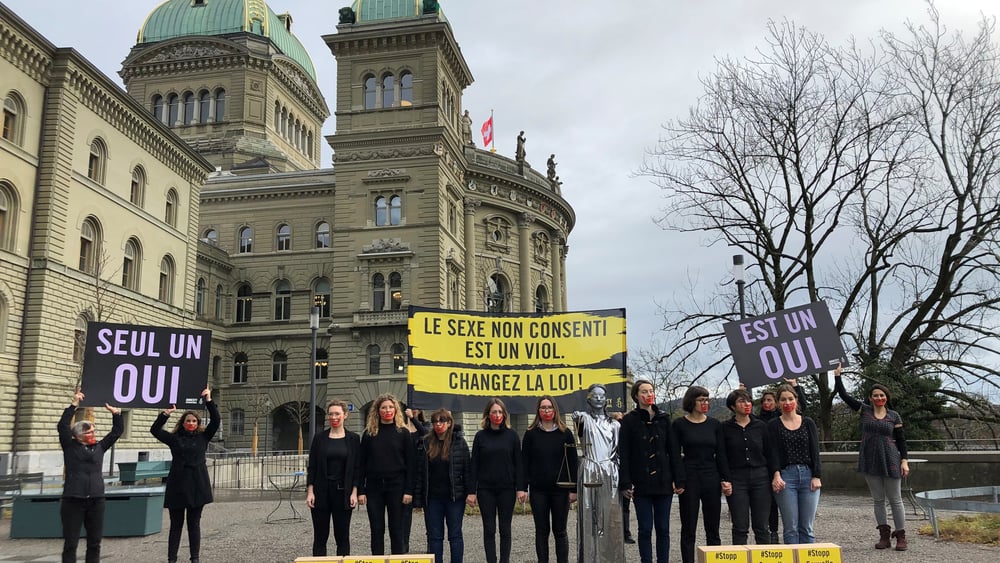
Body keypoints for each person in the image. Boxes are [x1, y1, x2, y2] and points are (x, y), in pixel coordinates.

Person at [833, 365, 910, 551]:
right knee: (878, 499)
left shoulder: (894, 415)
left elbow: (901, 440)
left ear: (886, 397)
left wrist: (904, 460)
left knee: (896, 499)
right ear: (870, 398)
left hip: (891, 458)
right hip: (869, 458)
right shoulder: (864, 411)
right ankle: (884, 535)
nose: (879, 398)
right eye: (875, 395)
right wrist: (837, 376)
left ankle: (901, 535)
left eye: (882, 395)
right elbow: (843, 395)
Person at [150, 386, 219, 563]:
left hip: (197, 484)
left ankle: (194, 558)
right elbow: (155, 430)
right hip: (178, 485)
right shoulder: (174, 439)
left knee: (194, 525)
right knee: (176, 526)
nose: (191, 423)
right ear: (183, 423)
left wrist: (208, 400)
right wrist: (165, 413)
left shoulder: (203, 437)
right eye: (188, 421)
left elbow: (216, 420)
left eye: (194, 421)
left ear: (197, 424)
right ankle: (171, 559)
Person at [619, 380, 684, 563]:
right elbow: (624, 453)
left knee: (663, 528)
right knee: (645, 528)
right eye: (644, 392)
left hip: (664, 481)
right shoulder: (629, 420)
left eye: (651, 391)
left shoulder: (663, 418)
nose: (648, 395)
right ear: (636, 396)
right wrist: (625, 482)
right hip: (641, 482)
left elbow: (673, 450)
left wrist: (679, 479)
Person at [57, 389, 123, 563]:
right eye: (89, 432)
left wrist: (116, 414)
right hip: (73, 499)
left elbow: (116, 432)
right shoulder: (70, 447)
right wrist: (73, 404)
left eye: (94, 431)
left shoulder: (99, 447)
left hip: (96, 499)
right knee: (71, 543)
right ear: (79, 436)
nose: (93, 435)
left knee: (95, 543)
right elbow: (62, 427)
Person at [673, 386, 730, 563]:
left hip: (711, 476)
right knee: (689, 526)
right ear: (691, 401)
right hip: (689, 477)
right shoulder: (679, 424)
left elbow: (721, 454)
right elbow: (675, 455)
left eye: (707, 399)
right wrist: (678, 480)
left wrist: (725, 479)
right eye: (701, 399)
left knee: (713, 526)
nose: (705, 403)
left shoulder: (714, 424)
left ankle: (713, 559)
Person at [468, 398, 525, 563]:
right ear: (488, 414)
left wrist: (520, 488)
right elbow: (474, 465)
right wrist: (472, 491)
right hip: (486, 490)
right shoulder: (480, 436)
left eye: (500, 412)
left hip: (507, 489)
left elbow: (519, 464)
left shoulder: (512, 435)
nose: (497, 415)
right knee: (489, 529)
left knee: (505, 529)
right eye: (494, 412)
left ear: (504, 414)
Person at [522, 395, 578, 563]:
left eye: (549, 407)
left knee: (560, 531)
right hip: (539, 490)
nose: (546, 410)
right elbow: (524, 462)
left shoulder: (565, 433)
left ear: (555, 410)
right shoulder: (531, 434)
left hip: (561, 490)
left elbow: (573, 462)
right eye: (543, 408)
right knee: (541, 531)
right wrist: (523, 487)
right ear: (538, 411)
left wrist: (574, 489)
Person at [358, 393, 416, 555]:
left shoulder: (403, 433)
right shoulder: (369, 434)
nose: (387, 410)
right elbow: (361, 464)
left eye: (391, 407)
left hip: (397, 486)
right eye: (384, 407)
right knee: (376, 530)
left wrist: (409, 490)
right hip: (373, 487)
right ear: (377, 410)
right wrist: (361, 491)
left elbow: (411, 464)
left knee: (397, 529)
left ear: (396, 410)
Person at [573, 384, 624, 563]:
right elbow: (579, 428)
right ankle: (589, 557)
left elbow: (618, 452)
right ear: (589, 398)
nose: (599, 398)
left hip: (609, 472)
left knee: (610, 517)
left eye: (602, 395)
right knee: (588, 515)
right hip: (589, 469)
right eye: (595, 395)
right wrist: (577, 418)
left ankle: (611, 558)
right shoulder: (583, 419)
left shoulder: (615, 424)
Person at [766, 384, 822, 544]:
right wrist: (776, 474)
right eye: (783, 399)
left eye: (790, 398)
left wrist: (816, 475)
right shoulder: (773, 425)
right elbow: (773, 453)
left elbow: (815, 451)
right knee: (791, 527)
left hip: (808, 475)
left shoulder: (808, 423)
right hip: (786, 476)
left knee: (807, 527)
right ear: (778, 403)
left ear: (796, 400)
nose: (787, 402)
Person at [414, 408, 472, 563]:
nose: (438, 424)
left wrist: (471, 492)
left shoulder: (459, 442)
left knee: (455, 535)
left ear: (449, 423)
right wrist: (418, 500)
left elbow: (467, 469)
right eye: (435, 421)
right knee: (435, 537)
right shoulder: (426, 442)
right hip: (432, 499)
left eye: (442, 421)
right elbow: (420, 473)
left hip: (455, 497)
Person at [306, 399, 361, 556]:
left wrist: (354, 492)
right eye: (331, 414)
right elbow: (313, 467)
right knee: (320, 536)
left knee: (342, 536)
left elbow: (357, 468)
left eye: (337, 414)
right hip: (321, 491)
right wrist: (310, 491)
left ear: (345, 415)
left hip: (343, 493)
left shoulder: (354, 439)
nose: (334, 417)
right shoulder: (319, 438)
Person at [756, 380, 807, 542]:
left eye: (769, 400)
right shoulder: (760, 420)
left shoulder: (782, 418)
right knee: (772, 504)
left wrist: (795, 386)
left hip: (788, 467)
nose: (766, 403)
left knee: (803, 522)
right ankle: (773, 531)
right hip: (769, 466)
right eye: (764, 401)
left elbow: (801, 407)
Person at [721, 388, 771, 545]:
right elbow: (722, 456)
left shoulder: (761, 426)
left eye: (749, 401)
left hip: (761, 477)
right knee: (740, 526)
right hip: (737, 478)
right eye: (742, 401)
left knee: (762, 526)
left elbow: (770, 453)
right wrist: (725, 479)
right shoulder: (724, 428)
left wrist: (775, 474)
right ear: (733, 406)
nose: (747, 404)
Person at [401, 407, 428, 553]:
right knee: (405, 513)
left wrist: (413, 419)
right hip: (407, 474)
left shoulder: (426, 425)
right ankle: (404, 545)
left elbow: (427, 435)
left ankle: (431, 545)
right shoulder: (401, 429)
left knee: (429, 513)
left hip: (423, 473)